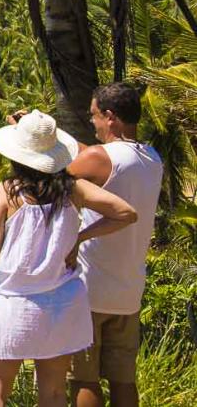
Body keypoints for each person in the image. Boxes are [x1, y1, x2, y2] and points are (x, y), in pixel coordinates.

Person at [0, 110, 139, 407]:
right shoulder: (72, 189)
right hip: (63, 303)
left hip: (15, 302)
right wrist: (79, 237)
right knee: (53, 393)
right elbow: (126, 213)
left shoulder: (7, 192)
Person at [64, 83, 163, 407]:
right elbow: (91, 155)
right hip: (128, 292)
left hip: (90, 289)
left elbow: (57, 175)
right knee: (124, 380)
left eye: (94, 116)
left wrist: (34, 138)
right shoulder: (151, 157)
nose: (92, 123)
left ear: (110, 116)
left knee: (83, 378)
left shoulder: (100, 158)